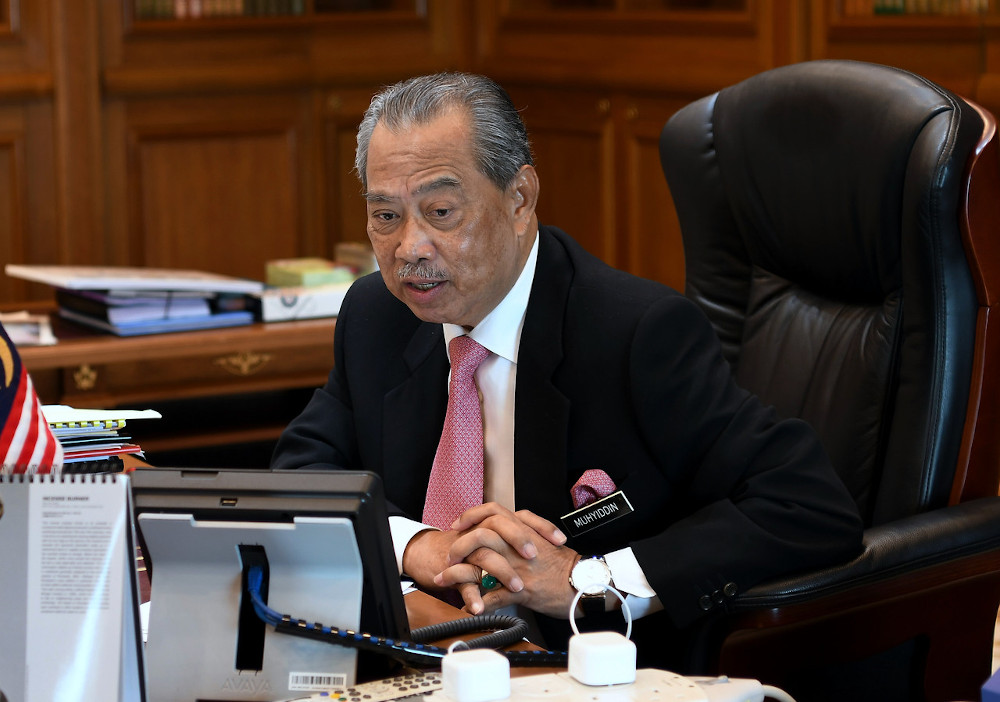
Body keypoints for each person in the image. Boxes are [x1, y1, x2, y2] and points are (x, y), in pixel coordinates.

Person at [271, 72, 863, 666]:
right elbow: (300, 476)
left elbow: (805, 502)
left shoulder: (635, 334)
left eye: (441, 211)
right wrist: (415, 545)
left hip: (590, 667)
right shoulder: (378, 314)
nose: (409, 248)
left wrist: (590, 581)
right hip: (421, 659)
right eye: (385, 217)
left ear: (520, 200)